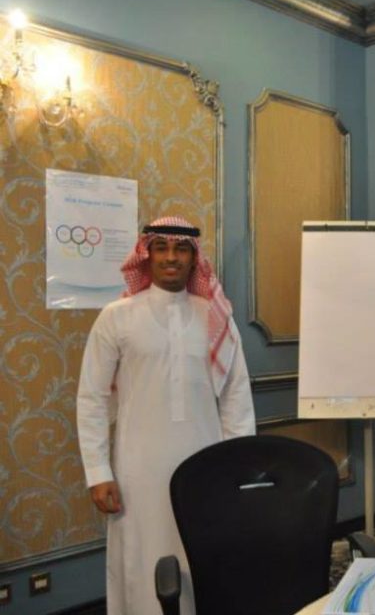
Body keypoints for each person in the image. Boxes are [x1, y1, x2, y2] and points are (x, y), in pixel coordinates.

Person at [76, 216, 255, 615]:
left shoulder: (216, 317)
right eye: (162, 248)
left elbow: (236, 397)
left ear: (194, 258)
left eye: (181, 249)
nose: (171, 257)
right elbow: (91, 398)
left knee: (204, 553)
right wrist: (98, 472)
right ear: (147, 255)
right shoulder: (117, 316)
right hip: (137, 468)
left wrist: (238, 468)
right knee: (139, 559)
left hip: (206, 464)